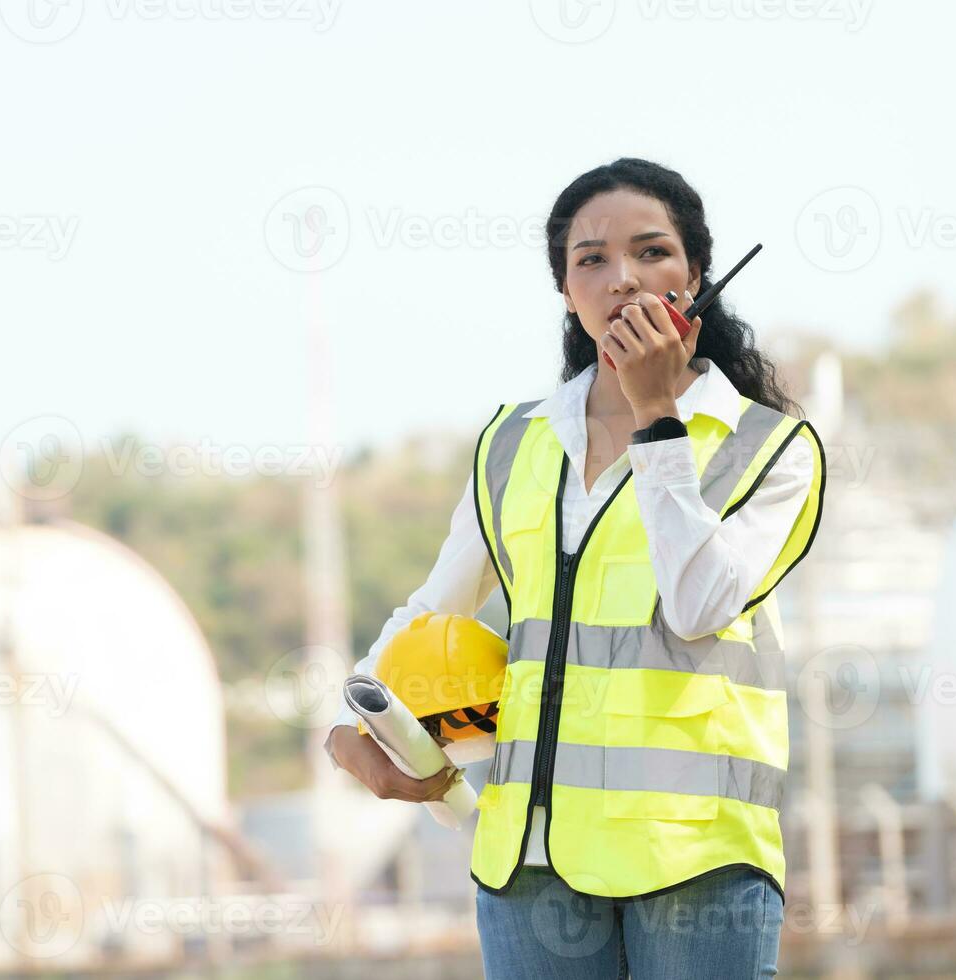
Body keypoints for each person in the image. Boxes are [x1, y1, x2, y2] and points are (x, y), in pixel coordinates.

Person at [326, 157, 826, 978]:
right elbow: (432, 606)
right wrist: (352, 720)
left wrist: (657, 414)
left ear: (696, 275)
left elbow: (698, 605)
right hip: (530, 859)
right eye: (591, 259)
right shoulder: (514, 442)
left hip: (695, 858)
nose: (623, 278)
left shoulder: (769, 449)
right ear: (566, 291)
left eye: (652, 252)